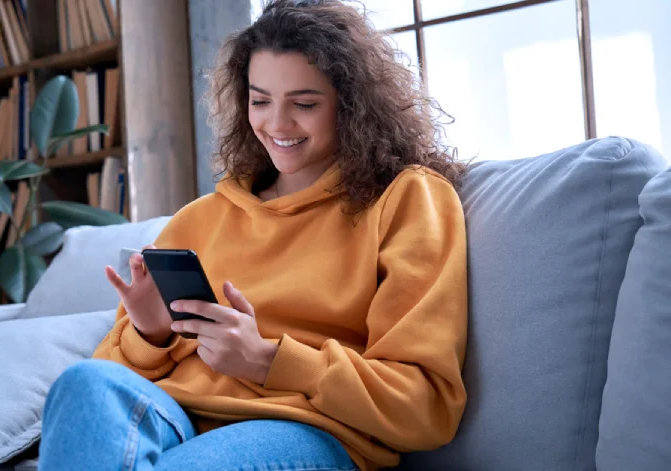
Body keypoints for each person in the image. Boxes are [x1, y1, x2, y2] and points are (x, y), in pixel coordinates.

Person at [38, 0, 469, 469]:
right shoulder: (199, 218)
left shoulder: (406, 199)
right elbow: (115, 383)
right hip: (174, 415)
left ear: (351, 105)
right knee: (82, 384)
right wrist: (151, 332)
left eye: (304, 104)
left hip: (304, 429)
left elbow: (425, 407)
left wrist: (267, 360)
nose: (277, 125)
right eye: (260, 100)